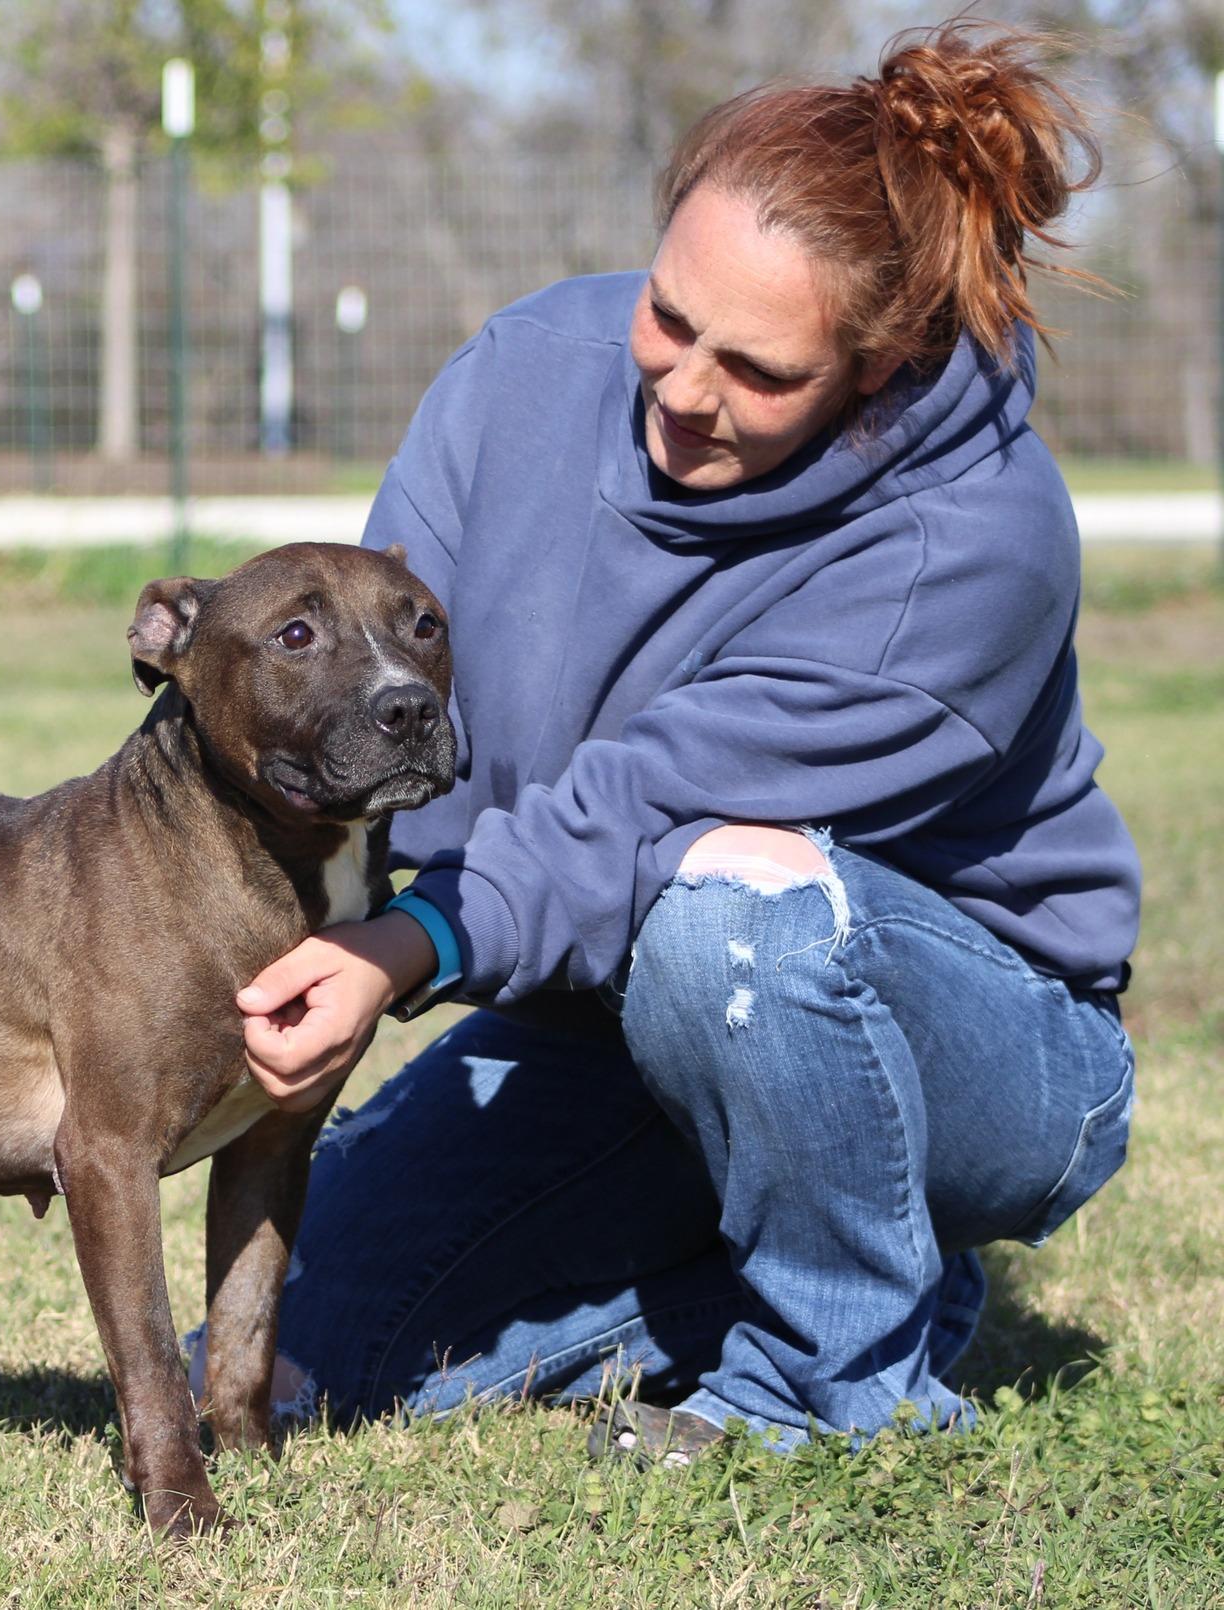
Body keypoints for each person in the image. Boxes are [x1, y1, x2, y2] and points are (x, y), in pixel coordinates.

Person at [212, 20, 1142, 1464]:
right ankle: (823, 1263)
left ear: (883, 366)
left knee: (731, 901)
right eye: (667, 316)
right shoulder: (523, 371)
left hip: (956, 1031)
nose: (681, 391)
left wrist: (402, 951)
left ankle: (834, 1380)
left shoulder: (970, 543)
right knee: (276, 1361)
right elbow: (380, 699)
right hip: (611, 1029)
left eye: (759, 374)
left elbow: (646, 818)